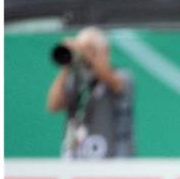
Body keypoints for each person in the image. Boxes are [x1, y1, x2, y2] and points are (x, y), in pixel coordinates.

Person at [46, 26, 135, 159]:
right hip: (77, 157)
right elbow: (53, 105)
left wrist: (88, 54)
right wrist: (67, 65)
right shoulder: (75, 78)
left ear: (106, 51)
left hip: (112, 160)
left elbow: (114, 82)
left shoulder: (121, 75)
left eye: (92, 49)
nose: (85, 54)